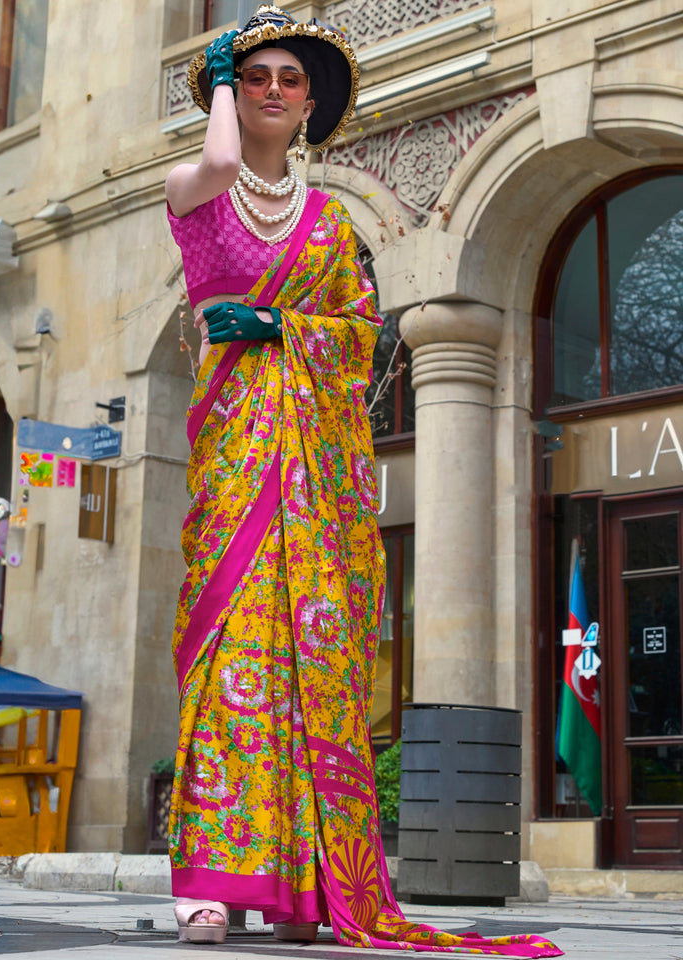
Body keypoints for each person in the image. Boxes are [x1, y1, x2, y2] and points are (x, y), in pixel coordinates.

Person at [165, 6, 562, 957]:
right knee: (232, 659)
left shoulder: (332, 225)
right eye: (254, 76)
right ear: (230, 91)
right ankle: (211, 887)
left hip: (314, 474)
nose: (270, 91)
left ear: (310, 105)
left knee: (313, 673)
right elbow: (220, 166)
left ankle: (303, 884)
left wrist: (288, 332)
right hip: (238, 459)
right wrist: (218, 74)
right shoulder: (195, 189)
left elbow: (356, 340)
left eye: (288, 80)